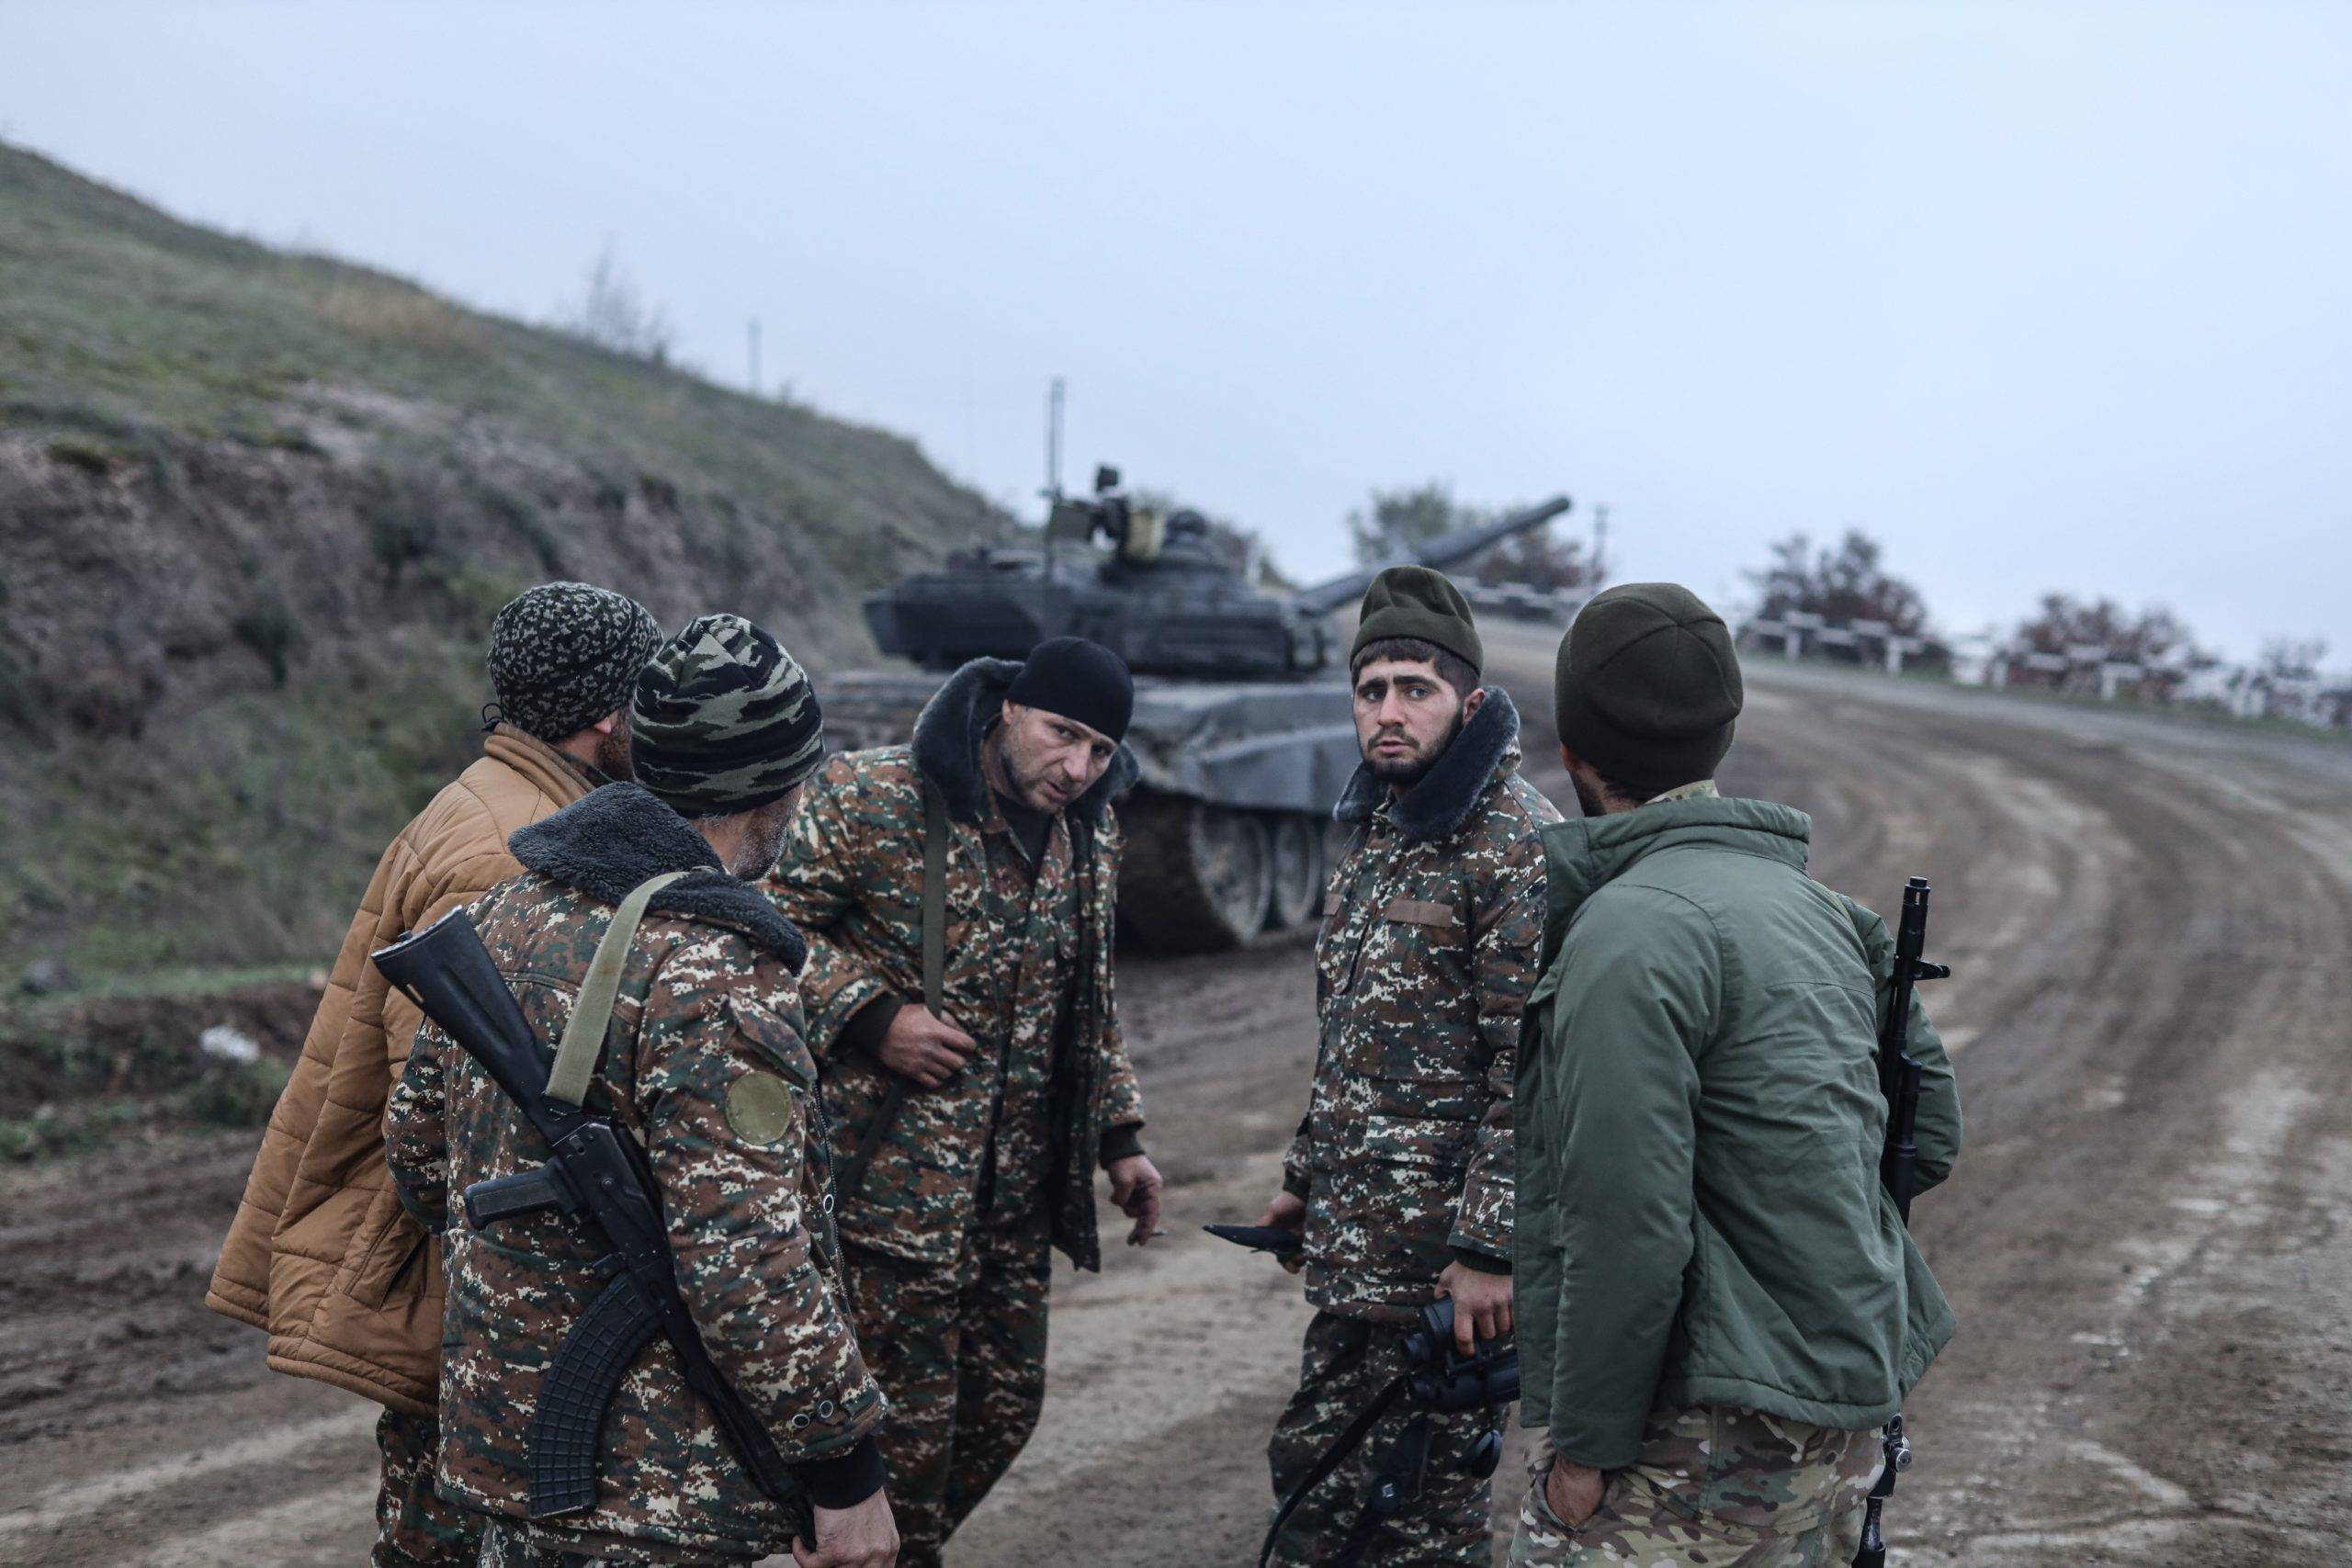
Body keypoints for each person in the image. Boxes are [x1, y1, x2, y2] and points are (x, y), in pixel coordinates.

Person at [385, 613, 896, 1568]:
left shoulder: (500, 915)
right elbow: (745, 1255)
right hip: (661, 1495)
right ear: (777, 785)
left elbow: (420, 1161)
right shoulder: (714, 973)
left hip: (508, 1467)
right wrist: (845, 1471)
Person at [206, 581, 662, 1567]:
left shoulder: (506, 803)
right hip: (469, 1282)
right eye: (649, 699)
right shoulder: (507, 850)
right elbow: (457, 1117)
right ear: (604, 713)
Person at [1511, 582, 1962, 1565]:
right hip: (1832, 1420)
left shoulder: (1627, 931)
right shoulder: (1829, 912)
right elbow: (1925, 1140)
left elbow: (1626, 1222)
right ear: (1719, 738)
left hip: (1689, 1438)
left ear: (1574, 748)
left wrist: (1583, 1452)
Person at [763, 636, 1162, 1567]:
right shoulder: (874, 796)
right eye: (1062, 735)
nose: (1077, 768)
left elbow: (1085, 1005)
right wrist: (868, 1015)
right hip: (885, 1196)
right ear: (1009, 711)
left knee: (1002, 1414)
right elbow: (756, 922)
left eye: (1100, 751)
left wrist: (1119, 1134)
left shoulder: (1087, 833)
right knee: (897, 1442)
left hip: (1009, 1205)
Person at [1257, 567, 1561, 1565]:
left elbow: (1533, 1070)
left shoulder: (1513, 846)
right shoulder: (1384, 832)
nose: (1387, 713)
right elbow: (1357, 1041)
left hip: (1440, 1272)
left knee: (1415, 1514)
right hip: (1359, 1249)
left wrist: (1488, 1251)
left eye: (1413, 690)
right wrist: (1304, 1182)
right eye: (1371, 690)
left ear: (1468, 703)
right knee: (1326, 1484)